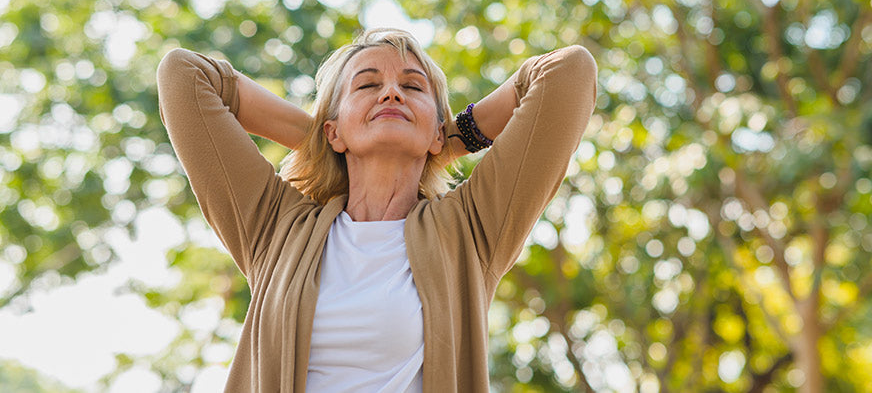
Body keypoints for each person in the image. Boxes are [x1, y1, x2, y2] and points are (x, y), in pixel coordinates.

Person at [156, 27, 597, 392]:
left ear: (437, 131)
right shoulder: (276, 227)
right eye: (367, 85)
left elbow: (568, 73)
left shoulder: (470, 228)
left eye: (412, 87)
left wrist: (445, 140)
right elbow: (184, 75)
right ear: (334, 131)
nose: (391, 94)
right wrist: (323, 141)